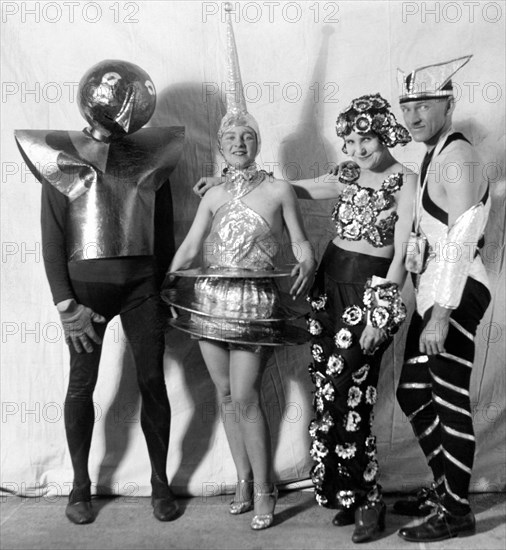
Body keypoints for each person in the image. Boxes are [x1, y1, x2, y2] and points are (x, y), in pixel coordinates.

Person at [196, 93, 417, 543]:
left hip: (369, 292)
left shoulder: (406, 181)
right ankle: (347, 493)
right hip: (328, 286)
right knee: (327, 394)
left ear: (385, 136)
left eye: (365, 141)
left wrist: (381, 312)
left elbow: (402, 256)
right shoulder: (349, 173)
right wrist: (229, 183)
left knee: (350, 392)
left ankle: (369, 497)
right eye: (350, 141)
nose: (355, 150)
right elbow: (295, 188)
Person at [15, 60, 184, 525]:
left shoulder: (154, 154)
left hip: (142, 290)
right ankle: (79, 487)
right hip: (85, 295)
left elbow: (163, 231)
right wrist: (64, 303)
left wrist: (163, 287)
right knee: (82, 386)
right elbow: (52, 235)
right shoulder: (61, 153)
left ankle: (159, 483)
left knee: (152, 381)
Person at [166, 8, 316, 532]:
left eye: (246, 137)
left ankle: (268, 489)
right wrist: (168, 277)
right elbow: (189, 248)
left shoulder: (277, 190)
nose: (238, 144)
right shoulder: (211, 194)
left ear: (257, 141)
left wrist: (307, 258)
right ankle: (243, 478)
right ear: (221, 148)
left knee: (248, 396)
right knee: (225, 396)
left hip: (255, 299)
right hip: (209, 298)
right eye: (230, 139)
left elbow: (299, 240)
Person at [393, 55, 492, 543]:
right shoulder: (435, 153)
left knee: (449, 398)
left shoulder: (457, 156)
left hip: (454, 294)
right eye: (406, 106)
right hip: (434, 291)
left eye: (424, 106)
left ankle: (456, 510)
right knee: (412, 391)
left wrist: (441, 315)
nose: (412, 116)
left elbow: (462, 237)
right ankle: (443, 487)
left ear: (448, 105)